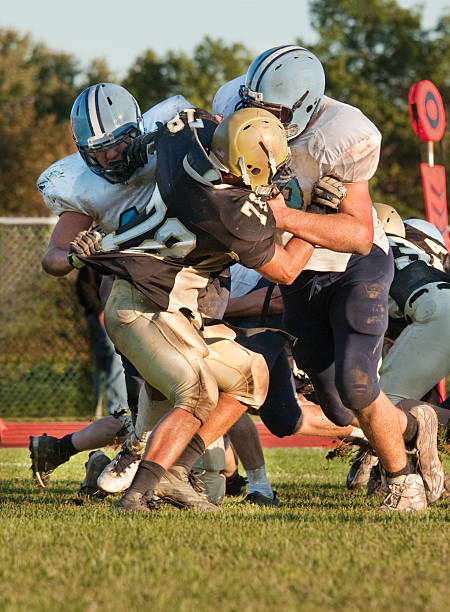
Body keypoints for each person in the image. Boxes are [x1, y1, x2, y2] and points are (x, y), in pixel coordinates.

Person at [37, 84, 317, 514]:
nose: (112, 157)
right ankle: (138, 488)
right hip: (143, 297)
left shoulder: (173, 139)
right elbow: (286, 269)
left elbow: (213, 127)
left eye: (119, 145)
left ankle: (166, 469)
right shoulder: (220, 198)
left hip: (183, 295)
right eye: (100, 151)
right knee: (193, 392)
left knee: (252, 377)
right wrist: (314, 221)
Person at [212, 45, 444, 510]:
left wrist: (284, 215)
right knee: (339, 408)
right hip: (299, 279)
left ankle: (403, 483)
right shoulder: (234, 107)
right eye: (253, 104)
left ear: (304, 106)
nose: (260, 117)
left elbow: (358, 234)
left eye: (272, 110)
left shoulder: (343, 134)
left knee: (360, 385)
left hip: (353, 271)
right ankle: (417, 423)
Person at [75, 267, 128, 417]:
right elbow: (84, 291)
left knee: (106, 361)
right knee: (116, 353)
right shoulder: (89, 267)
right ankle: (118, 410)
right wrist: (100, 312)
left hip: (120, 314)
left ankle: (106, 404)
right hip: (98, 316)